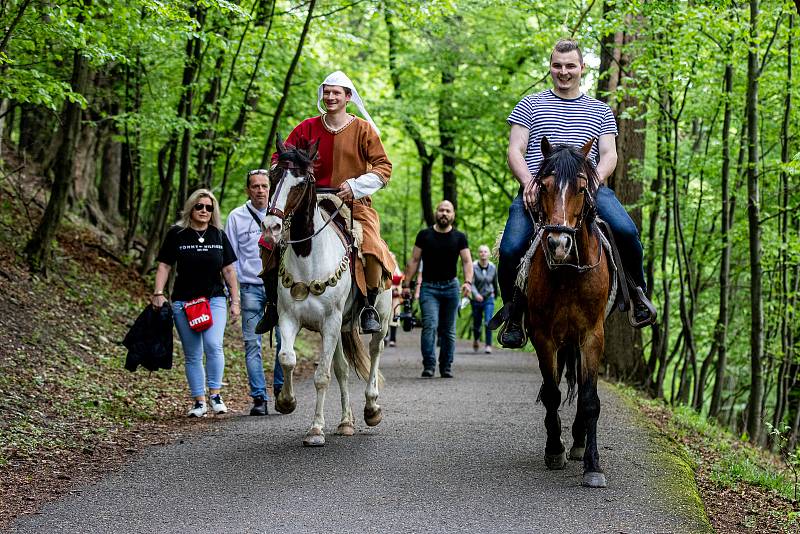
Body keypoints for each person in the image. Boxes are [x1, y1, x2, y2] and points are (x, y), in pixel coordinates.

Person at [494, 38, 657, 348]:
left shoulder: (600, 109)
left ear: (583, 68)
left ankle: (637, 294)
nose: (564, 72)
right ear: (550, 67)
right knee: (512, 247)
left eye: (570, 66)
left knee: (626, 230)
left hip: (587, 190)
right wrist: (529, 181)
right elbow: (515, 149)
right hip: (540, 191)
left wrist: (594, 181)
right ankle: (514, 315)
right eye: (558, 65)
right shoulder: (530, 104)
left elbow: (609, 154)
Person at [260, 70, 395, 335]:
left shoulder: (363, 129)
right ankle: (274, 304)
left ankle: (367, 305)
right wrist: (283, 170)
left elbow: (383, 167)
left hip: (353, 203)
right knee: (269, 241)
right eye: (327, 91)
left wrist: (355, 185)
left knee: (371, 248)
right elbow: (281, 155)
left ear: (348, 97)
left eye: (337, 93)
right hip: (308, 201)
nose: (331, 97)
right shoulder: (307, 127)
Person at [152, 189, 239, 418]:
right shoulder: (176, 234)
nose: (204, 211)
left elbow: (229, 270)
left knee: (213, 345)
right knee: (192, 353)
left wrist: (235, 301)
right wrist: (158, 293)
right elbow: (164, 266)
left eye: (209, 208)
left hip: (214, 299)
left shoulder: (218, 235)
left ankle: (216, 395)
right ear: (191, 208)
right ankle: (199, 401)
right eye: (199, 206)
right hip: (184, 301)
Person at [224, 169, 284, 416]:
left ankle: (282, 389)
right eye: (255, 186)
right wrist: (233, 295)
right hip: (249, 287)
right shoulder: (236, 217)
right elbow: (230, 259)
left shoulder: (281, 214)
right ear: (248, 189)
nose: (260, 190)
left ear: (270, 188)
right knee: (252, 345)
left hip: (280, 287)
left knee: (285, 341)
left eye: (264, 186)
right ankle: (259, 398)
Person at [402, 200, 473, 378]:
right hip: (429, 288)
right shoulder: (425, 235)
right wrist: (406, 284)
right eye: (441, 210)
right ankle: (429, 366)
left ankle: (446, 366)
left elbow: (467, 261)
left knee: (448, 330)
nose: (444, 213)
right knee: (430, 326)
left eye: (448, 211)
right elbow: (414, 260)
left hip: (451, 287)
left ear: (453, 215)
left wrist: (468, 282)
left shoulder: (460, 237)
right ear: (436, 212)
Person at [471, 244, 498, 354]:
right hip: (476, 299)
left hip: (488, 299)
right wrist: (476, 294)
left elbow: (495, 282)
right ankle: (476, 339)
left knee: (488, 322)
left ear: (489, 254)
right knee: (477, 324)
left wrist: (495, 294)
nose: (483, 254)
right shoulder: (473, 266)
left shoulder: (492, 267)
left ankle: (488, 345)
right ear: (478, 254)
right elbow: (471, 283)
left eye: (485, 252)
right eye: (481, 252)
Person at [386, 252, 403, 347]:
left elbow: (400, 282)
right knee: (386, 316)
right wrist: (391, 290)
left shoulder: (397, 270)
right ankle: (385, 336)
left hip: (396, 298)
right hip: (388, 295)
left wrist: (398, 291)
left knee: (395, 317)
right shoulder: (386, 267)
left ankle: (393, 339)